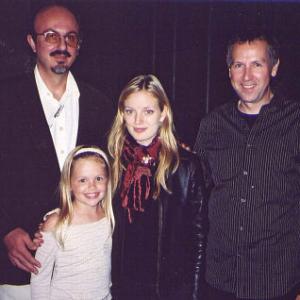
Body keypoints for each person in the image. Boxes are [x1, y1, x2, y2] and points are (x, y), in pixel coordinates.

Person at [0, 4, 113, 299]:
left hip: (83, 274)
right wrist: (5, 231)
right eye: (51, 36)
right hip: (22, 266)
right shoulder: (6, 100)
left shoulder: (99, 104)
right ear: (32, 42)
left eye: (71, 37)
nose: (62, 45)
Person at [194, 30, 300, 300]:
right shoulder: (212, 125)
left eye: (257, 64)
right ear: (229, 71)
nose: (247, 76)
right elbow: (197, 197)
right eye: (239, 65)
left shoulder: (295, 122)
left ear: (274, 68)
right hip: (220, 280)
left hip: (278, 282)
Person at [108, 74, 206, 300]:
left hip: (170, 292)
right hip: (125, 289)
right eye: (130, 111)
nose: (138, 120)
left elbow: (199, 240)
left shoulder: (185, 166)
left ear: (163, 113)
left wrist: (193, 295)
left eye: (148, 111)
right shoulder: (115, 163)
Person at [30, 145, 114, 300]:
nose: (92, 186)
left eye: (99, 178)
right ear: (69, 184)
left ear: (107, 181)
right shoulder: (56, 222)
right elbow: (39, 276)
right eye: (83, 180)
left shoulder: (108, 217)